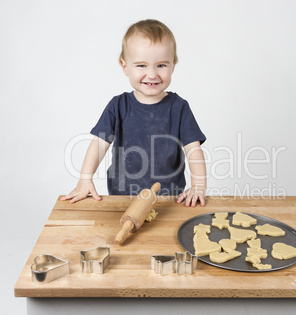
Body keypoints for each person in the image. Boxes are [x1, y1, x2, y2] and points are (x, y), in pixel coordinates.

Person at [61, 19, 207, 207]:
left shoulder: (179, 107)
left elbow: (193, 149)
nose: (152, 74)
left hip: (168, 200)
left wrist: (199, 185)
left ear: (173, 65)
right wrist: (84, 179)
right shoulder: (118, 105)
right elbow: (99, 144)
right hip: (123, 196)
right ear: (125, 66)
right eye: (141, 65)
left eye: (161, 65)